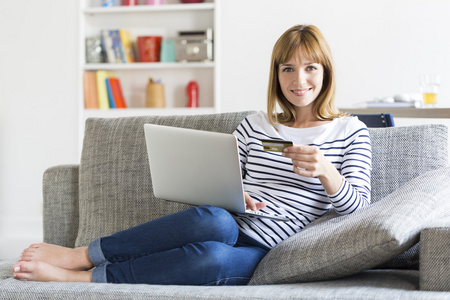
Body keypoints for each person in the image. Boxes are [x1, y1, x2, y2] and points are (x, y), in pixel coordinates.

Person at [12, 24, 371, 285]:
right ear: (276, 75)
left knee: (213, 259)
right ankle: (80, 255)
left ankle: (86, 279)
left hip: (273, 248)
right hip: (233, 222)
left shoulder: (349, 131)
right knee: (212, 219)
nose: (299, 79)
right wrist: (236, 196)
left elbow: (358, 209)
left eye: (310, 67)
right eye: (288, 68)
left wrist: (327, 170)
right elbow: (225, 181)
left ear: (325, 72)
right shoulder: (256, 124)